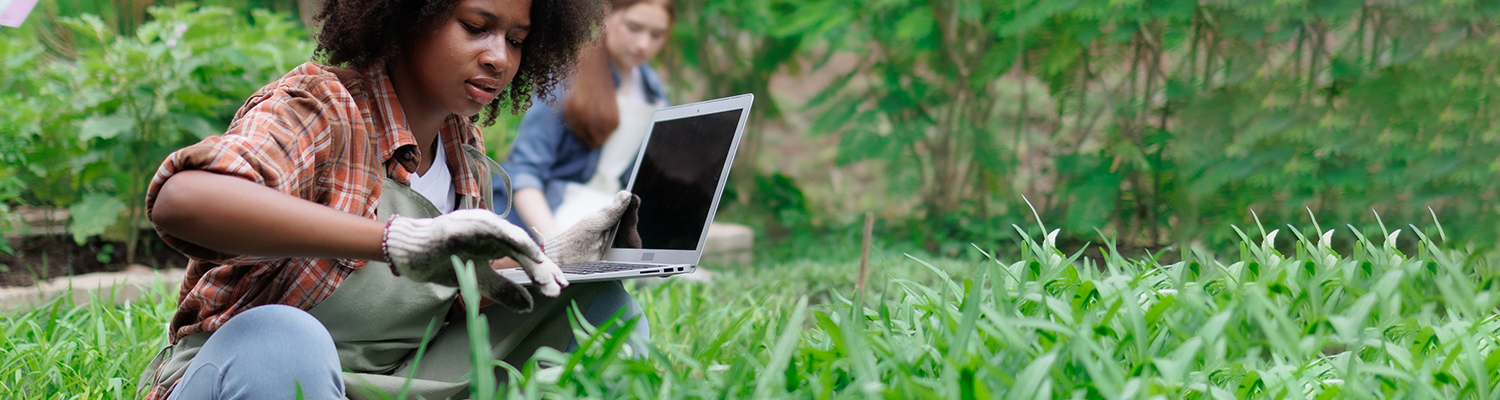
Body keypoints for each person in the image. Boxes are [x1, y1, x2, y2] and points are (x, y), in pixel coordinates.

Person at [134, 0, 646, 398]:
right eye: (475, 27)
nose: (499, 57)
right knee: (285, 337)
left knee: (602, 307)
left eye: (516, 40)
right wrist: (395, 238)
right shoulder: (322, 107)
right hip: (251, 375)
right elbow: (183, 199)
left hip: (385, 381)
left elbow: (457, 288)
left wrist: (559, 258)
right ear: (408, 16)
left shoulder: (461, 146)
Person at [497, 0, 675, 239]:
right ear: (607, 17)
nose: (643, 44)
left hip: (606, 218)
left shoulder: (655, 92)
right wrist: (552, 240)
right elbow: (525, 171)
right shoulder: (567, 76)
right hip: (547, 218)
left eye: (657, 35)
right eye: (633, 28)